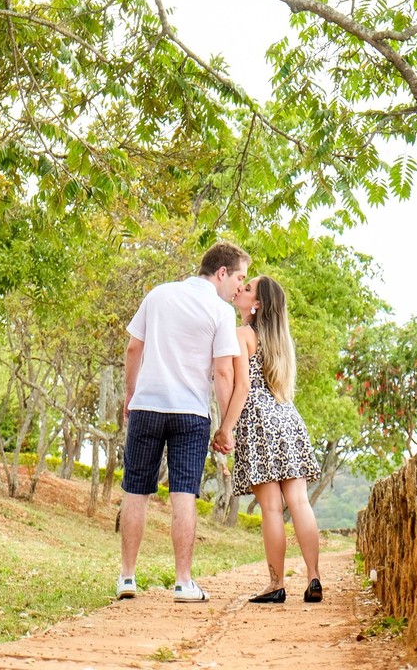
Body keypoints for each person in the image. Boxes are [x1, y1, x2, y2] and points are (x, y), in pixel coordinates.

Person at [117, 242, 249, 603]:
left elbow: (133, 349)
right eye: (239, 277)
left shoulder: (158, 294)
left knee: (135, 491)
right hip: (190, 414)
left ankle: (127, 578)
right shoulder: (220, 312)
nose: (240, 286)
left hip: (146, 406)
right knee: (183, 496)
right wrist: (225, 428)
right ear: (221, 273)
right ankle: (183, 582)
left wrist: (131, 393)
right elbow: (223, 372)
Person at [213, 275, 323, 604]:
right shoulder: (280, 341)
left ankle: (276, 583)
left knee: (272, 510)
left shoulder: (242, 335)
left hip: (258, 420)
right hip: (287, 418)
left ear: (257, 304)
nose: (241, 291)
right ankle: (314, 576)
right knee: (300, 503)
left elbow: (241, 386)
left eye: (247, 290)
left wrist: (226, 427)